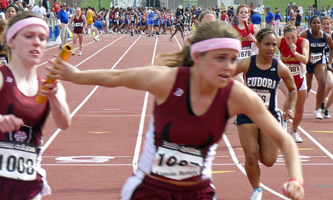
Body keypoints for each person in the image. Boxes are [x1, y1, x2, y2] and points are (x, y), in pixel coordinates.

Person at [45, 20, 304, 200]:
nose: (228, 67)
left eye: (232, 59)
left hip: (197, 191)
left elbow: (284, 139)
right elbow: (117, 76)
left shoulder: (235, 96)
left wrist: (295, 180)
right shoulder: (167, 81)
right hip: (151, 189)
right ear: (198, 57)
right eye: (220, 58)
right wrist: (76, 76)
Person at [0, 11, 71, 200]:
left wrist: (54, 97)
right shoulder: (2, 77)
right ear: (12, 41)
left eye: (42, 38)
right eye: (29, 36)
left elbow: (64, 123)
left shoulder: (49, 85)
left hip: (28, 185)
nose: (37, 42)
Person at [234, 28, 298, 200]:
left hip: (268, 116)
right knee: (251, 155)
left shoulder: (279, 67)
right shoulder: (247, 63)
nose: (271, 48)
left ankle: (261, 146)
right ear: (258, 44)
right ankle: (257, 189)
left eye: (274, 45)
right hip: (246, 115)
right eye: (267, 44)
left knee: (269, 160)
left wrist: (291, 106)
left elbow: (292, 89)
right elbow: (224, 76)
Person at [277, 24, 309, 143]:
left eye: (293, 38)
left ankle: (294, 130)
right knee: (291, 97)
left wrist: (295, 53)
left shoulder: (303, 42)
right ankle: (283, 121)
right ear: (283, 37)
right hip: (284, 77)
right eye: (287, 38)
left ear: (297, 35)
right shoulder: (279, 42)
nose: (290, 41)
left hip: (299, 77)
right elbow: (263, 39)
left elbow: (305, 60)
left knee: (299, 110)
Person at [299, 15, 333, 120]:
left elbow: (332, 48)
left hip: (319, 61)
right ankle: (299, 106)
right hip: (307, 62)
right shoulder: (305, 34)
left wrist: (330, 63)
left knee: (323, 82)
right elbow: (297, 44)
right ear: (310, 24)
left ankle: (318, 109)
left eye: (318, 23)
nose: (317, 25)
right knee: (307, 87)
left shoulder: (325, 36)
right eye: (314, 23)